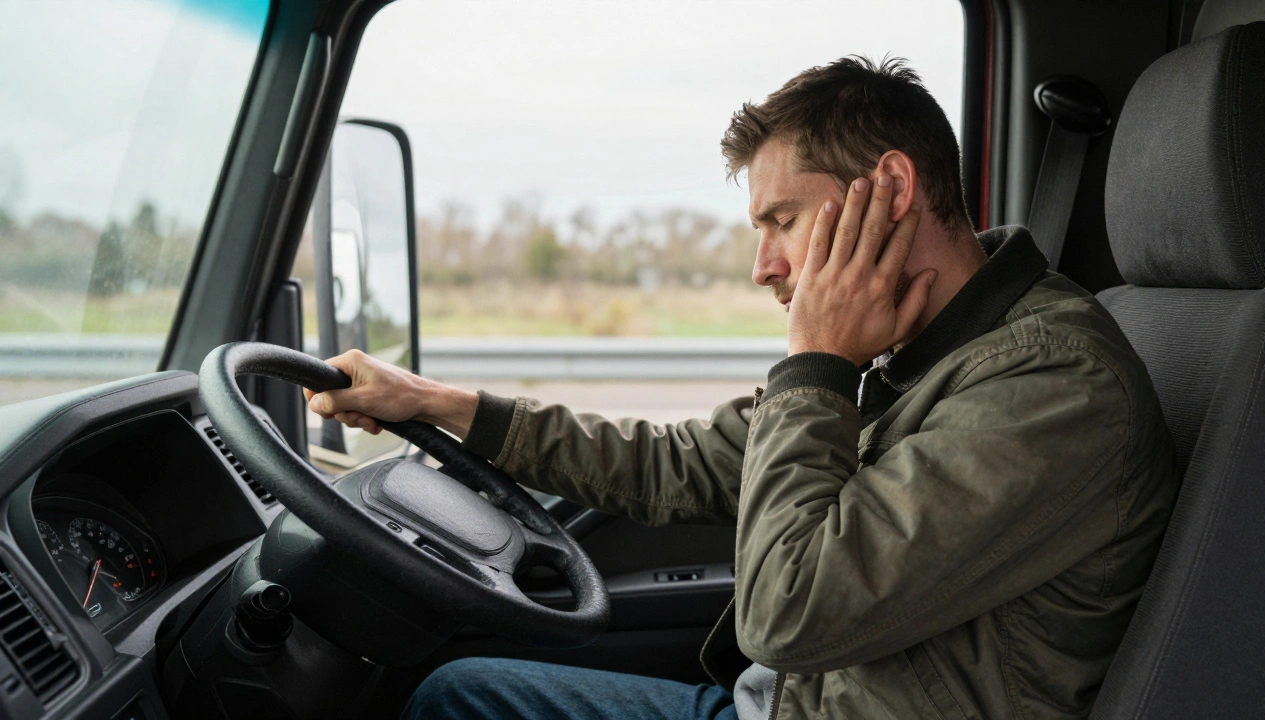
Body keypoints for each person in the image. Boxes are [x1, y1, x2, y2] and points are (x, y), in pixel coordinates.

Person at [306, 56, 1178, 720]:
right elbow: (679, 462)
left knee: (456, 701)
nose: (763, 267)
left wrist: (818, 365)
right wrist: (432, 404)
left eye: (781, 221)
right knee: (458, 686)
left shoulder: (1054, 382)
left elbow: (791, 613)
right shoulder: (914, 349)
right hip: (785, 704)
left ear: (893, 190)